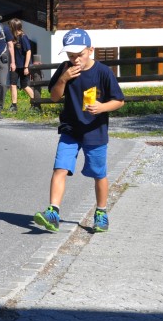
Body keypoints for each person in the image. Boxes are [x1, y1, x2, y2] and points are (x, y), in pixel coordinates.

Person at [33, 28, 125, 234]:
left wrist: (102, 107)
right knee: (60, 169)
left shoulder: (103, 72)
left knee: (99, 174)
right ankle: (53, 212)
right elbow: (55, 97)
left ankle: (101, 213)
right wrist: (63, 79)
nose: (75, 60)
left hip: (95, 131)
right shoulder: (65, 69)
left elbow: (119, 100)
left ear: (91, 50)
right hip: (70, 130)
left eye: (79, 55)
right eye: (70, 55)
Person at [8, 18, 36, 111]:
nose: (9, 28)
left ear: (14, 27)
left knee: (25, 86)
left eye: (10, 26)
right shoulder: (13, 37)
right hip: (15, 66)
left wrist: (26, 67)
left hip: (23, 66)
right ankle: (14, 105)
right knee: (12, 84)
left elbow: (28, 51)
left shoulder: (23, 37)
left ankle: (36, 102)